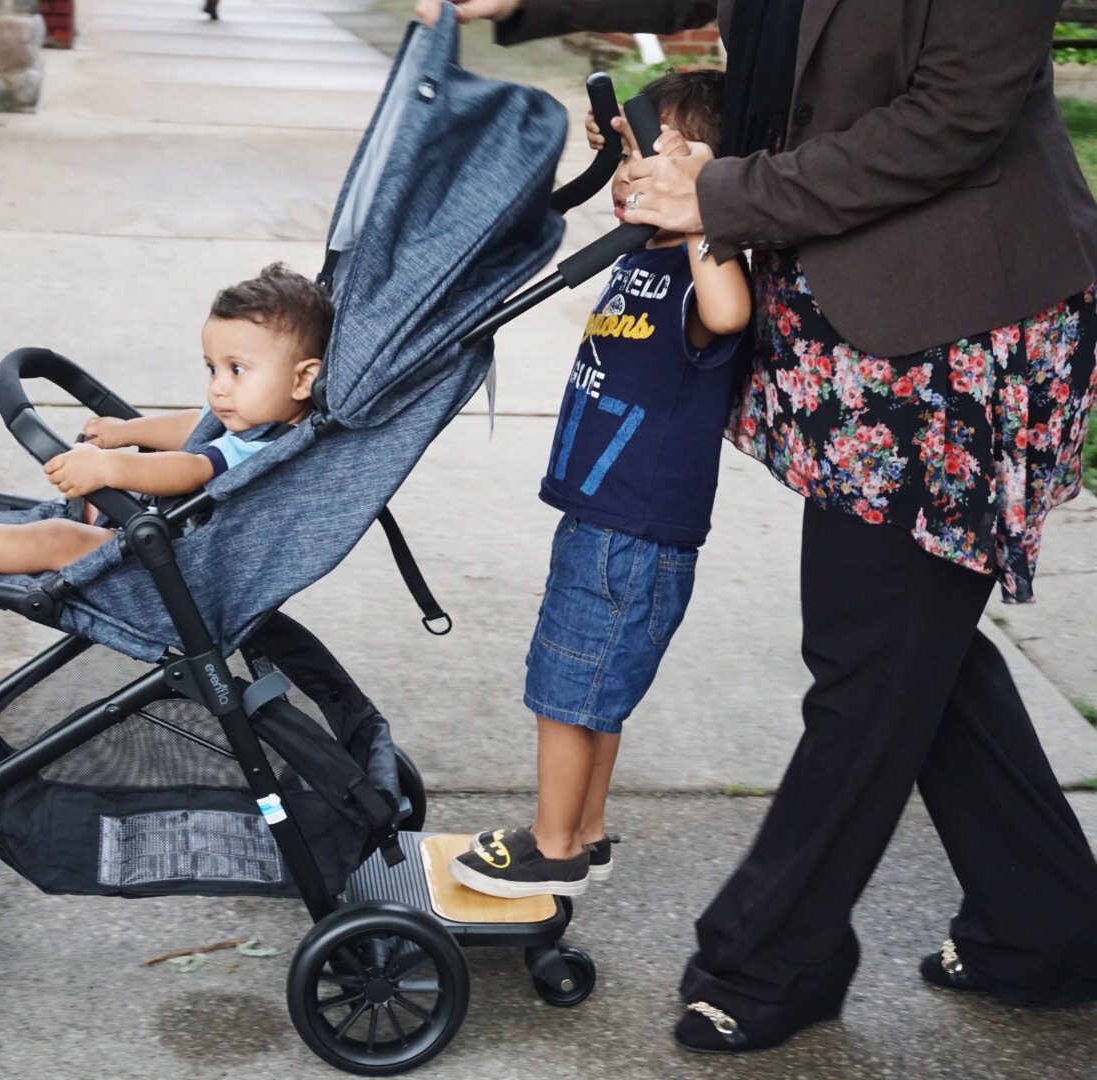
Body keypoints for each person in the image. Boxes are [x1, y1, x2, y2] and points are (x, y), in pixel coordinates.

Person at [420, 0, 1097, 1055]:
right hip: (846, 313)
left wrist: (721, 193)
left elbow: (955, 114)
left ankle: (769, 960)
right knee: (907, 642)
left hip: (955, 321)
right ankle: (1047, 927)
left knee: (870, 652)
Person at [450, 70, 751, 901]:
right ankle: (583, 830)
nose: (627, 178)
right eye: (624, 159)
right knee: (595, 694)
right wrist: (626, 154)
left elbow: (729, 313)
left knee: (565, 689)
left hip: (631, 531)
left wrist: (701, 213)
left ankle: (551, 846)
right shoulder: (645, 252)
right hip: (606, 517)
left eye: (647, 161)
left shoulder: (705, 270)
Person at [0, 263, 330, 571]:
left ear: (302, 379)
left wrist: (108, 467)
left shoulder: (265, 448)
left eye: (237, 369)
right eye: (212, 368)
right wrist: (126, 432)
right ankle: (25, 527)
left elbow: (193, 466)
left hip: (173, 571)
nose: (219, 385)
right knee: (85, 514)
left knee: (57, 538)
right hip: (162, 535)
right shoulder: (267, 418)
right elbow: (199, 425)